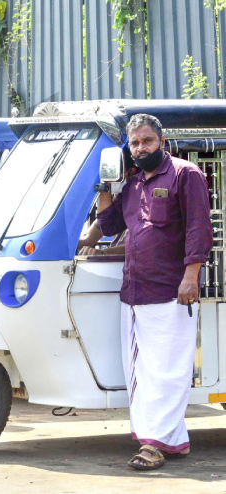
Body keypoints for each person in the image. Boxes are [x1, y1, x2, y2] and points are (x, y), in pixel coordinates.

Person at [96, 114, 213, 471]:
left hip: (170, 290)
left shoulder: (184, 175)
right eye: (134, 144)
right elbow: (109, 224)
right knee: (142, 372)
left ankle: (153, 445)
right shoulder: (132, 184)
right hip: (134, 290)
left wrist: (190, 276)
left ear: (161, 141)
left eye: (147, 141)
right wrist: (104, 186)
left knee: (167, 370)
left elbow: (199, 229)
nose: (140, 148)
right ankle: (171, 439)